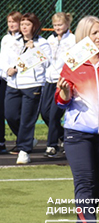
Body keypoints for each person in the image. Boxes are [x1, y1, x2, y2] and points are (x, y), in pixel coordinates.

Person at [56, 16, 99, 223]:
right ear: (84, 36)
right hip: (78, 134)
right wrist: (64, 92)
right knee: (84, 180)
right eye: (95, 33)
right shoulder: (71, 64)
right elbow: (61, 101)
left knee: (97, 184)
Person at [3, 13, 51, 164]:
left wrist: (34, 50)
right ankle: (29, 139)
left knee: (27, 118)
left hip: (32, 84)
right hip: (13, 83)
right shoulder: (13, 41)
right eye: (22, 24)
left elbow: (47, 64)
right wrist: (7, 70)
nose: (24, 27)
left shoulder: (42, 43)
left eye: (27, 24)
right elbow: (4, 58)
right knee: (10, 114)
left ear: (34, 26)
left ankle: (24, 149)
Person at [41, 12, 75, 158]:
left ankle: (51, 145)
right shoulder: (50, 39)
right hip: (49, 79)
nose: (57, 28)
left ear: (67, 24)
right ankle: (62, 136)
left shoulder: (73, 40)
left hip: (62, 80)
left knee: (55, 114)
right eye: (55, 25)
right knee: (45, 113)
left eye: (60, 25)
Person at [0, 11, 22, 155]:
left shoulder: (25, 40)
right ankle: (1, 143)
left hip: (18, 80)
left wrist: (15, 69)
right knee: (4, 111)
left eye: (14, 21)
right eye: (9, 22)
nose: (12, 24)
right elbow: (2, 58)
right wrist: (6, 69)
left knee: (14, 114)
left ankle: (24, 139)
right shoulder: (5, 39)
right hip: (4, 78)